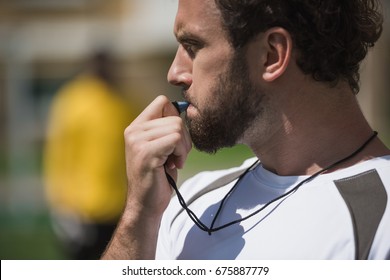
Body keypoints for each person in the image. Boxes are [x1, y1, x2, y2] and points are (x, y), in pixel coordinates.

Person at [102, 0, 390, 260]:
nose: (174, 72)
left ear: (271, 55)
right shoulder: (189, 201)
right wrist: (139, 216)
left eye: (193, 46)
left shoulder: (380, 220)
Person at [43, 51, 136, 259]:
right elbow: (58, 155)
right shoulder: (73, 100)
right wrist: (61, 204)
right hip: (82, 209)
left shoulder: (122, 101)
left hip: (117, 206)